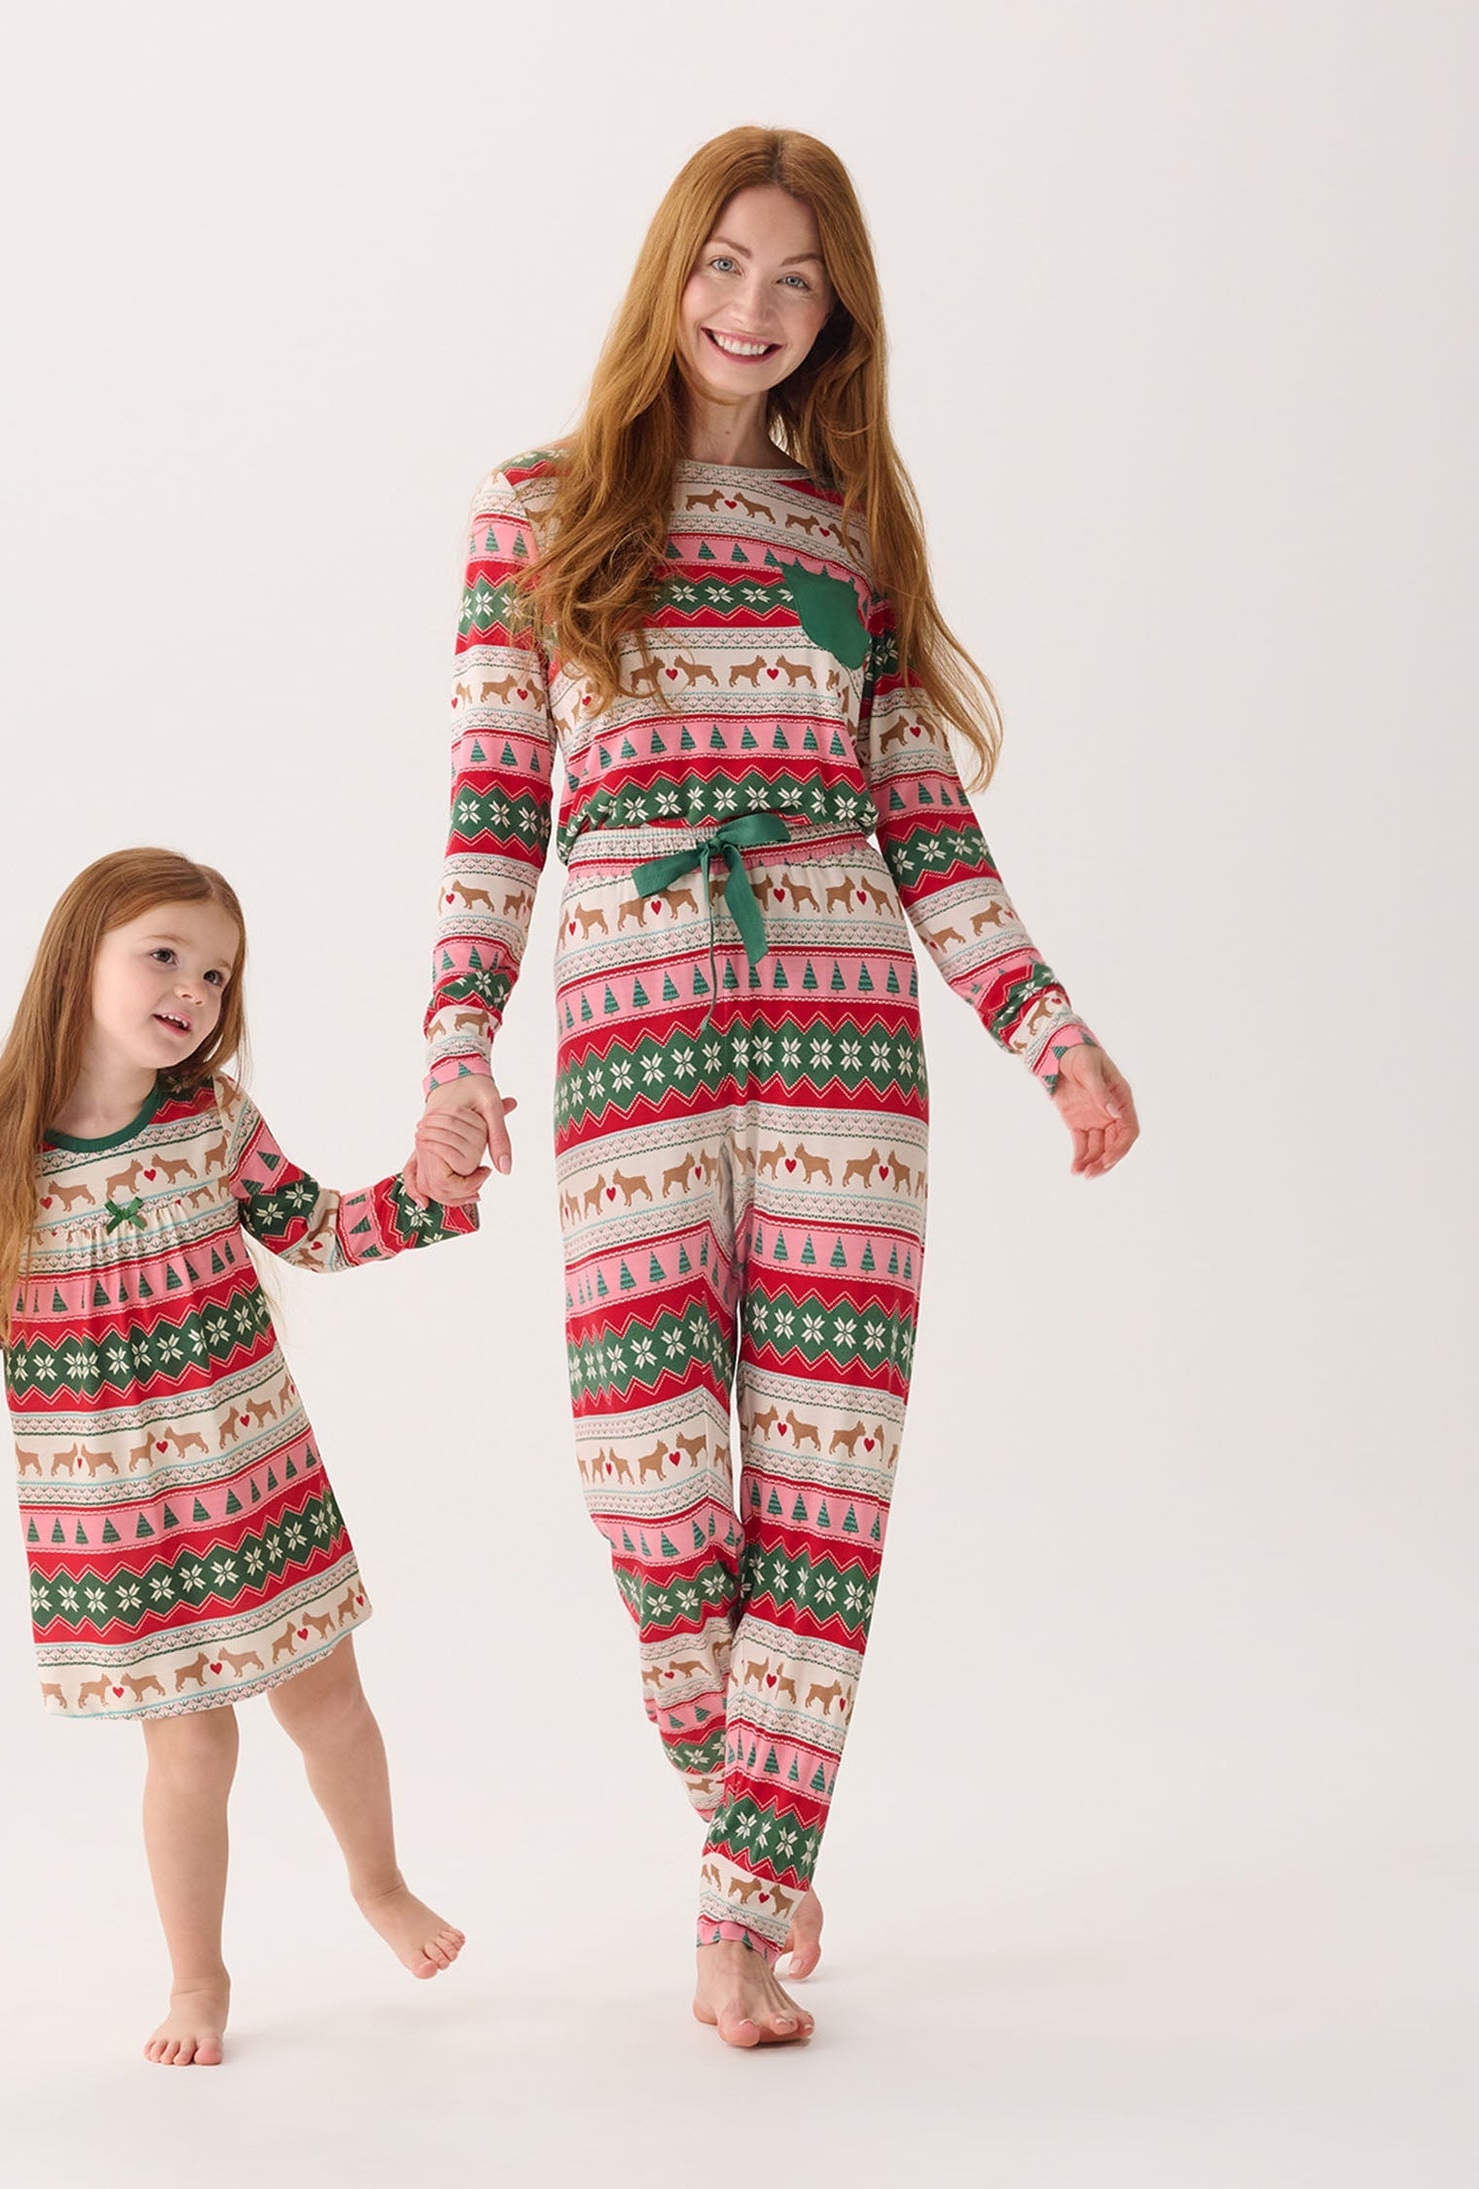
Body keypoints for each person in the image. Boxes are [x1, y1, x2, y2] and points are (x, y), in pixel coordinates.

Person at [410, 125, 1141, 2049]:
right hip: (633, 1053)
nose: (752, 307)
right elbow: (494, 816)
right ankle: (760, 1816)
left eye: (796, 280)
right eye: (725, 265)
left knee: (821, 1483)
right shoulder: (538, 514)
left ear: (837, 320)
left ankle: (733, 1915)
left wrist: (1050, 1030)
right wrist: (451, 1057)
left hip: (848, 1049)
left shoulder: (849, 542)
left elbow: (925, 816)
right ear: (671, 275)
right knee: (647, 1481)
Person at [0, 846, 476, 2067]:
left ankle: (379, 1882)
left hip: (252, 1477)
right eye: (163, 955)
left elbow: (312, 1224)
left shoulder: (211, 1119)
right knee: (190, 1748)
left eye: (214, 973)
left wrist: (426, 1190)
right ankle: (197, 1976)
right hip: (111, 1514)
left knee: (326, 1702)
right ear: (78, 957)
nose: (192, 989)